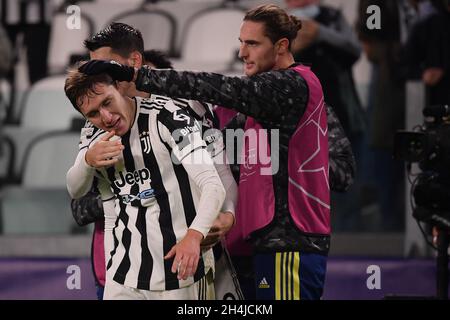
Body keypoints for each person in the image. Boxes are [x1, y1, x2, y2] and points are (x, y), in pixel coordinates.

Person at [80, 4, 337, 300]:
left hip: (288, 242)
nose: (241, 52)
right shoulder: (102, 125)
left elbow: (219, 90)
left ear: (281, 46)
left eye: (252, 43)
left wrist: (141, 78)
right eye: (241, 42)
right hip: (265, 243)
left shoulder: (290, 85)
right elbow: (79, 198)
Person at [70, 23, 237, 299]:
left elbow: (219, 173)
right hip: (126, 264)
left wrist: (227, 214)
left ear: (134, 61)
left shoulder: (186, 106)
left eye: (101, 66)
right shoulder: (96, 124)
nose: (94, 76)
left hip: (190, 259)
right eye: (90, 67)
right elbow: (81, 203)